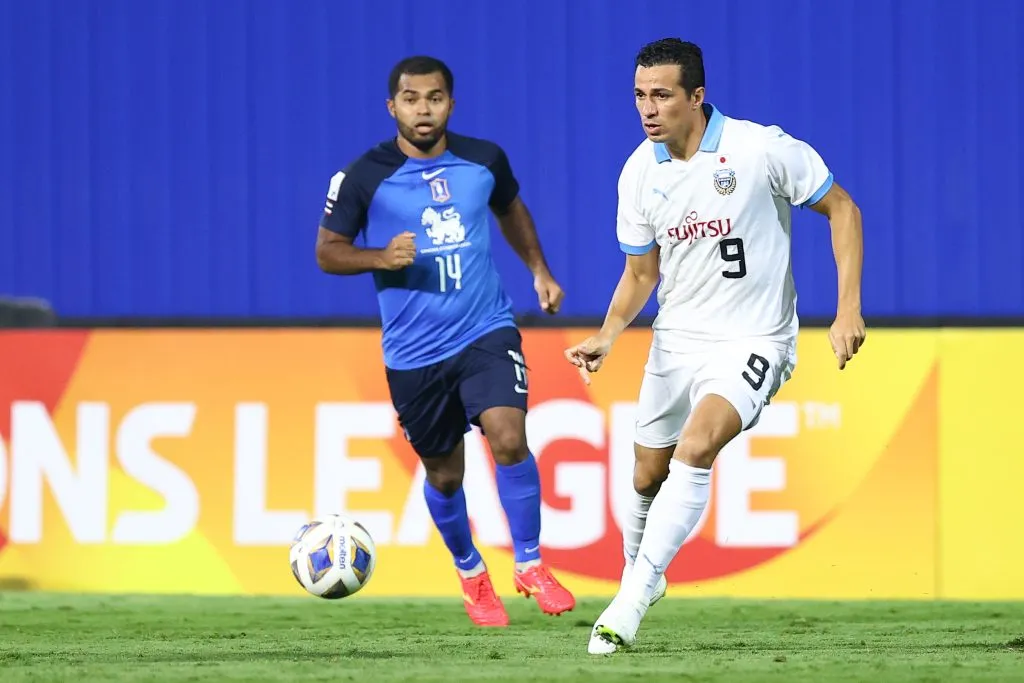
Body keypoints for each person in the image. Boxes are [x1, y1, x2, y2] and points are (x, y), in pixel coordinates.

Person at [564, 38, 866, 653]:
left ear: (696, 96)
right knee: (647, 473)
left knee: (695, 446)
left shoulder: (760, 149)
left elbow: (843, 210)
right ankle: (636, 574)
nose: (648, 110)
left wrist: (848, 307)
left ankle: (630, 600)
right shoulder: (638, 171)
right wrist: (607, 334)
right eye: (640, 97)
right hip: (677, 341)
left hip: (755, 338)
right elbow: (641, 274)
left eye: (662, 96)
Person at [316, 55, 575, 627]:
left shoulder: (484, 160)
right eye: (411, 99)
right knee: (445, 475)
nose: (423, 109)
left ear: (450, 104)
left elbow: (511, 208)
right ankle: (470, 573)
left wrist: (539, 269)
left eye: (434, 98)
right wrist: (380, 257)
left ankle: (530, 562)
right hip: (414, 353)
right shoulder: (363, 176)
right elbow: (328, 250)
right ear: (393, 107)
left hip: (485, 327)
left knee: (508, 436)